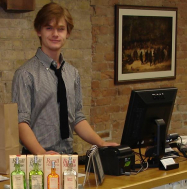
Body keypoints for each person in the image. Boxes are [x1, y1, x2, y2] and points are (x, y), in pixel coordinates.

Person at [11, 3, 118, 155]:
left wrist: (101, 143)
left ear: (68, 33)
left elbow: (77, 118)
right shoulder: (25, 74)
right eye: (49, 28)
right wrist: (42, 155)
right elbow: (20, 123)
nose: (55, 34)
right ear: (38, 31)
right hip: (37, 159)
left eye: (60, 29)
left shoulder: (72, 73)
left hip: (67, 157)